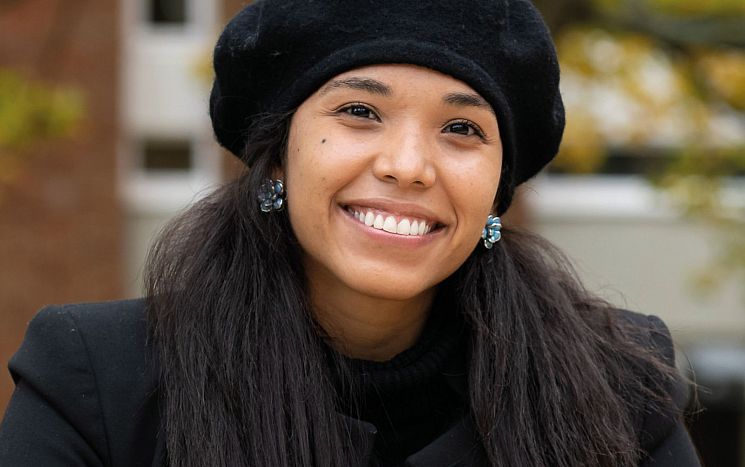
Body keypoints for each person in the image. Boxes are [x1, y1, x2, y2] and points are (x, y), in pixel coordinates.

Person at [0, 1, 701, 466]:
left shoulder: (615, 391)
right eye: (360, 110)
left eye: (461, 128)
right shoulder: (98, 380)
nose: (406, 166)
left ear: (497, 189)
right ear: (277, 155)